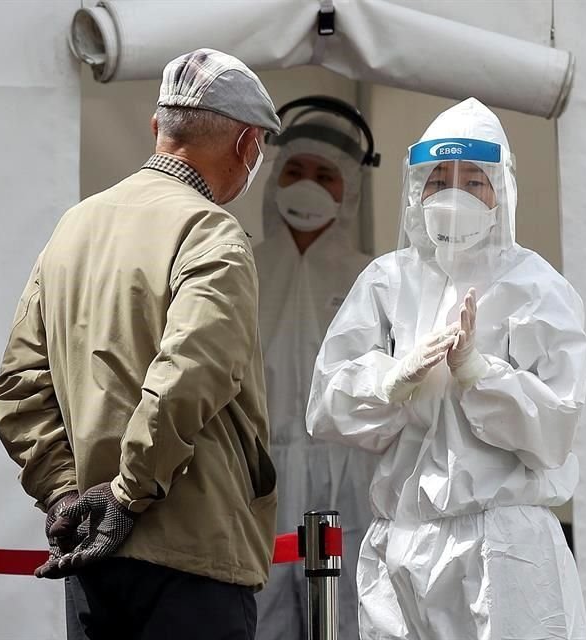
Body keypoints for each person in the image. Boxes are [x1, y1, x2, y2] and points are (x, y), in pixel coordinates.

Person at [0, 48, 280, 640]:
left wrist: (66, 494)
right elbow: (190, 373)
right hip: (193, 554)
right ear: (249, 144)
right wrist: (125, 494)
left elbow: (19, 384)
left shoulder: (75, 226)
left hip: (92, 558)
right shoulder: (209, 230)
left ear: (157, 128)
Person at [306, 98, 586, 639]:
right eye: (439, 178)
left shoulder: (536, 287)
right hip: (400, 544)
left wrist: (478, 374)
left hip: (502, 549)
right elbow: (325, 407)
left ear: (500, 191)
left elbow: (555, 428)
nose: (454, 192)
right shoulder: (387, 281)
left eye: (474, 180)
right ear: (417, 189)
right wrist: (390, 381)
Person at [253, 97, 379, 640]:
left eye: (324, 175)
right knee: (258, 611)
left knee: (348, 611)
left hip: (347, 475)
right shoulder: (241, 265)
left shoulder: (370, 276)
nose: (307, 185)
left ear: (347, 189)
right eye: (295, 170)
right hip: (260, 475)